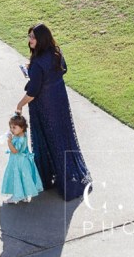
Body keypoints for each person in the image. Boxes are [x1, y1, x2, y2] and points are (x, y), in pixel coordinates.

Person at [14, 23, 91, 201]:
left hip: (45, 106)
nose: (30, 40)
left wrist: (20, 104)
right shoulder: (56, 53)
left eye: (33, 37)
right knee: (63, 139)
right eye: (29, 36)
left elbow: (33, 92)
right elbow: (63, 69)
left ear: (41, 39)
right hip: (59, 102)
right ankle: (70, 177)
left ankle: (53, 179)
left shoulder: (38, 63)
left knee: (50, 141)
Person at [1, 113, 44, 204]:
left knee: (17, 177)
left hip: (18, 162)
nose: (12, 130)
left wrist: (9, 142)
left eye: (14, 127)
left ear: (22, 128)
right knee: (23, 178)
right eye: (11, 127)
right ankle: (23, 195)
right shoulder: (23, 134)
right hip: (24, 161)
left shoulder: (20, 139)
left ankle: (16, 196)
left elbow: (15, 151)